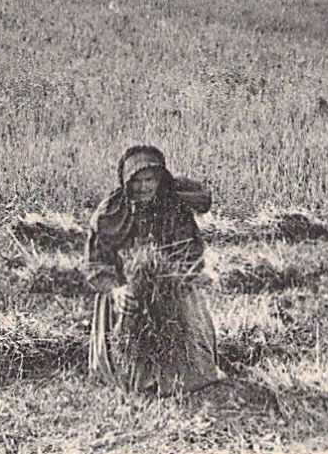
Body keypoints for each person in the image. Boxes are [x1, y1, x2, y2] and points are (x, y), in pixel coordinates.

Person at [85, 144, 224, 396]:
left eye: (149, 179)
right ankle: (131, 371)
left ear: (160, 179)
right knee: (128, 371)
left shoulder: (174, 209)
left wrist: (174, 279)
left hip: (171, 287)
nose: (143, 187)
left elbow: (191, 253)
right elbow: (96, 264)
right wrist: (117, 290)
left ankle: (185, 369)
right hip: (124, 290)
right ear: (126, 182)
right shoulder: (110, 214)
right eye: (136, 181)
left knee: (191, 360)